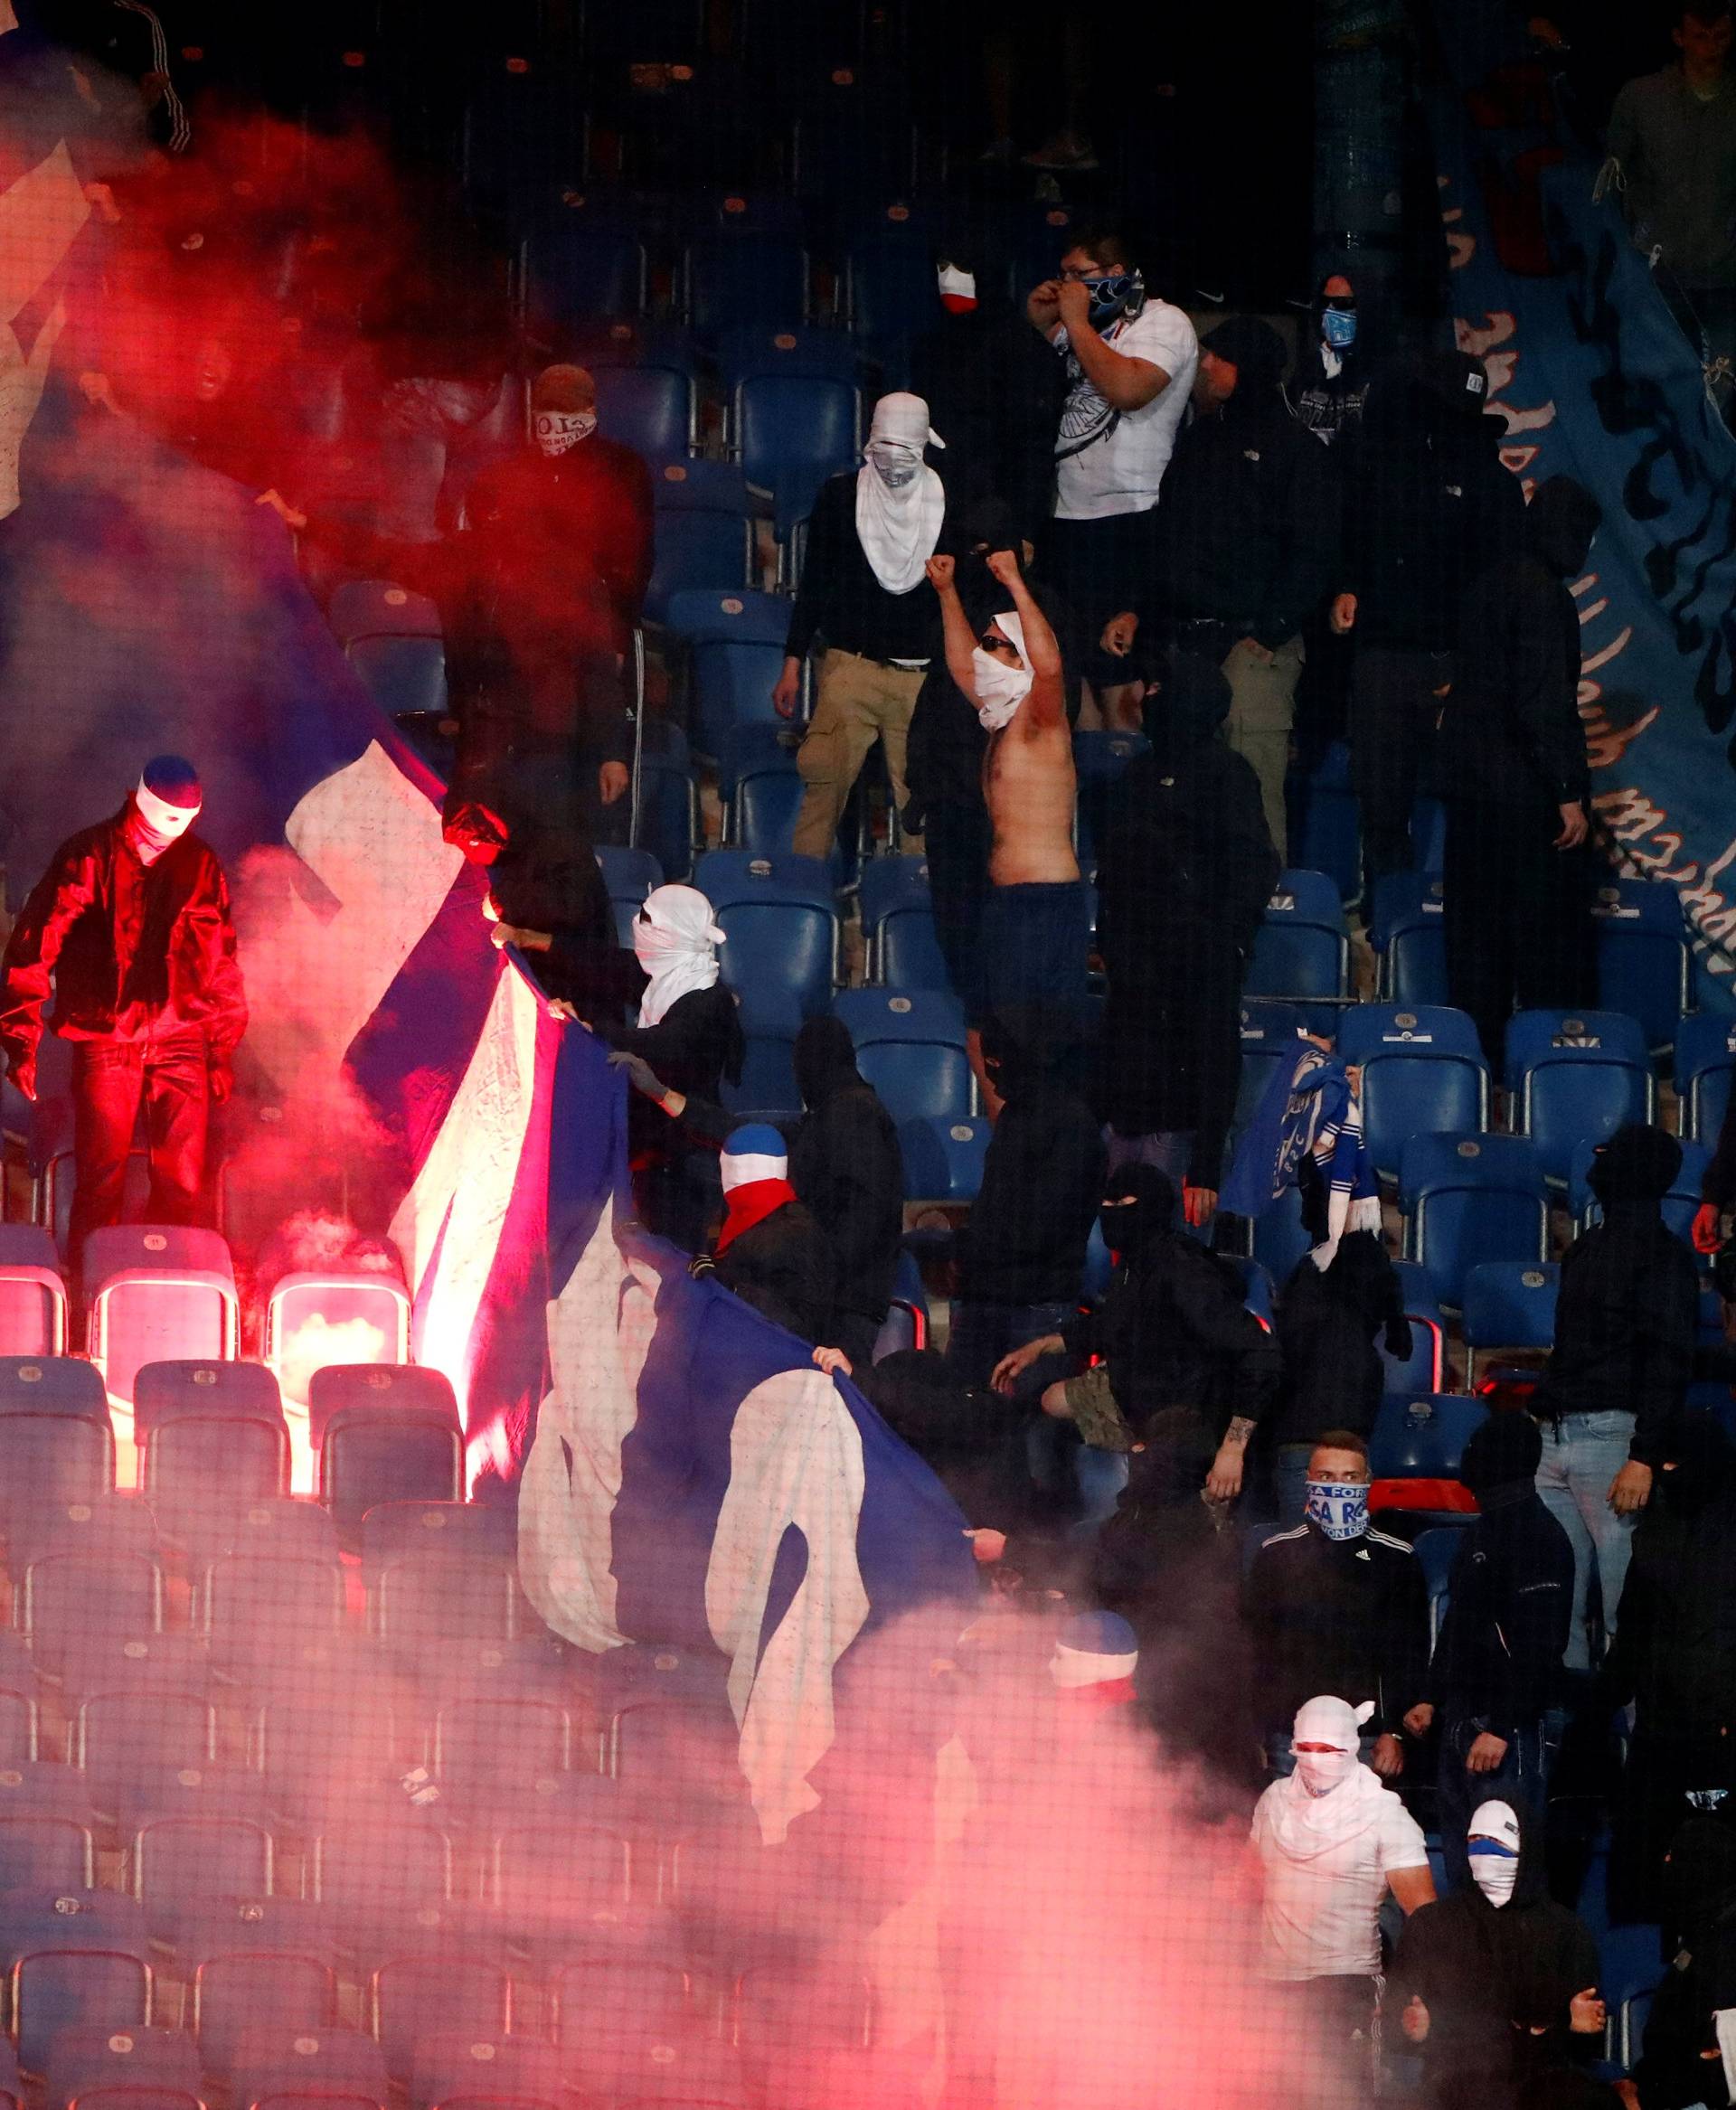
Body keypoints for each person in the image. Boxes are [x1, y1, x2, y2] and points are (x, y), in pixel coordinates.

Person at [993, 1164, 1283, 1596]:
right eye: (1105, 1205)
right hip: (1138, 1398)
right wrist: (1042, 1346)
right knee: (1047, 1400)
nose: (1110, 1213)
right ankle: (1051, 1527)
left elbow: (1262, 1354)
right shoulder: (1133, 1265)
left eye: (1123, 1205)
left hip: (1194, 1426)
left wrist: (1233, 1448)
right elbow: (1114, 1322)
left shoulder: (1184, 1273)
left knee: (1189, 1553)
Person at [0, 756, 245, 1260]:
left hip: (182, 1038)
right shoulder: (89, 856)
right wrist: (20, 1042)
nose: (172, 832)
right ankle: (92, 1288)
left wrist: (220, 1050)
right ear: (139, 802)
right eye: (165, 820)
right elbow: (34, 946)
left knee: (182, 1180)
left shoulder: (198, 864)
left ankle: (172, 1285)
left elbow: (221, 961)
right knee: (100, 1178)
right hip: (107, 1038)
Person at [1132, 315, 1339, 859]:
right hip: (1187, 644)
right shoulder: (1200, 439)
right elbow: (1168, 539)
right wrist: (1151, 631)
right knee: (1181, 789)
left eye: (1217, 356)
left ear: (1245, 366)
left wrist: (1270, 632)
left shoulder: (1298, 451)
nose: (1206, 365)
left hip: (1254, 648)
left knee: (1254, 785)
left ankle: (1268, 923)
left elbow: (1315, 552)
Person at [1091, 652, 1279, 1218]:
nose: (1148, 698)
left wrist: (1226, 939)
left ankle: (1192, 1185)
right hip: (1135, 986)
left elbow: (1252, 867)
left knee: (1197, 1072)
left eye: (1159, 688)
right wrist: (1115, 942)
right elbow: (1115, 869)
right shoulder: (1135, 776)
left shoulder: (1230, 774)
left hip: (1200, 967)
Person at [1331, 351, 1525, 883]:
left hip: (1456, 667)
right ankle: (1385, 920)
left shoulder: (1495, 488)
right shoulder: (1386, 470)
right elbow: (1355, 541)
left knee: (1471, 805)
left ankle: (1463, 924)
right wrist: (1348, 587)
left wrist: (1471, 672)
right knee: (1380, 802)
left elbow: (1507, 595)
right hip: (1385, 660)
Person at [444, 363, 651, 847]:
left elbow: (636, 556)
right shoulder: (508, 475)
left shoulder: (622, 469)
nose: (555, 419)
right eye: (547, 406)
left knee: (577, 765)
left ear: (591, 409)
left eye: (567, 406)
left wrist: (617, 633)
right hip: (517, 650)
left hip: (590, 633)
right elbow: (469, 565)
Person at [1437, 474, 1601, 1071]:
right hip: (1523, 803)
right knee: (1540, 944)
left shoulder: (1491, 581)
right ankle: (1540, 1073)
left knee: (1474, 944)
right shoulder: (1543, 595)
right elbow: (1542, 703)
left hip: (1471, 795)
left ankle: (1476, 1073)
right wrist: (1567, 791)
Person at [1531, 1125, 1702, 1674]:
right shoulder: (1585, 1247)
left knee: (1623, 1612)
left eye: (1608, 1155)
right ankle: (1569, 1743)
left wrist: (1643, 1456)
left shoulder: (1666, 1257)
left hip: (1614, 1444)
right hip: (1555, 1435)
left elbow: (1669, 1359)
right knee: (1556, 1608)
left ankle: (1634, 1748)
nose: (1595, 1163)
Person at [1024, 229, 1197, 717]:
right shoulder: (1070, 325)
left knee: (1121, 680)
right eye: (1063, 275)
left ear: (1117, 274)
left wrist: (1074, 322)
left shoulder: (1164, 322)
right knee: (1066, 679)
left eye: (1080, 275)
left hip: (1129, 518)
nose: (1068, 286)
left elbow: (1127, 389)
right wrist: (1039, 329)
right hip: (1061, 518)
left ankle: (1131, 781)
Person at [774, 391, 948, 861]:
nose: (893, 458)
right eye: (884, 445)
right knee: (822, 795)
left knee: (920, 808)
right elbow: (813, 583)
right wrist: (792, 662)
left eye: (904, 447)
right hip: (849, 668)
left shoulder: (948, 500)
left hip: (920, 680)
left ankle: (914, 916)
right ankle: (802, 893)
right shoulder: (839, 496)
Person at [1406, 1412, 1573, 1885]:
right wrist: (1431, 1697)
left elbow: (1541, 1646)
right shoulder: (1485, 1529)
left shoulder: (1539, 1536)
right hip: (1464, 1717)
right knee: (1464, 1875)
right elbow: (1461, 1622)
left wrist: (1502, 1726)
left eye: (1480, 1448)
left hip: (1509, 1732)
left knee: (1506, 1879)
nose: (1468, 1459)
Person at [929, 546, 1087, 1036]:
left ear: (1023, 660)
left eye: (998, 645)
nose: (985, 652)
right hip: (1007, 901)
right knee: (998, 1036)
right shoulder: (1002, 719)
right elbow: (960, 666)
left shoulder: (1043, 721)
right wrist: (947, 593)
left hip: (1044, 904)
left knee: (1038, 1045)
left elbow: (1053, 668)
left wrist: (1016, 585)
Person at [540, 884, 744, 1251]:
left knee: (675, 1252)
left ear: (675, 933)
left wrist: (593, 1028)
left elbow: (667, 1045)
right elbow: (603, 965)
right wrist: (535, 941)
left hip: (684, 1150)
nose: (639, 924)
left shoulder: (707, 1001)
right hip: (653, 1143)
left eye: (650, 921)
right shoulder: (662, 975)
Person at [1602, 1414, 1736, 1924]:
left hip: (1722, 1737)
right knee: (1648, 1879)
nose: (1671, 1472)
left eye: (1679, 1463)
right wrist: (1598, 1704)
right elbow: (1633, 1632)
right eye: (1665, 1464)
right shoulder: (1656, 1531)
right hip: (1661, 1733)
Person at [1250, 1693, 1435, 2056]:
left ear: (1351, 1748)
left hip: (1347, 1988)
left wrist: (1413, 1993)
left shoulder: (1386, 1815)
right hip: (1273, 1985)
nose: (1317, 1760)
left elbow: (1426, 1918)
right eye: (1307, 1748)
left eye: (1328, 1749)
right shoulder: (1273, 1801)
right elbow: (1248, 1882)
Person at [1392, 1797, 1604, 2106]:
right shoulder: (1433, 1924)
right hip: (1457, 2083)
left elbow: (1586, 2035)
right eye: (1474, 1840)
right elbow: (1397, 2016)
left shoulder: (1565, 1929)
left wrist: (1572, 2024)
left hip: (1544, 2085)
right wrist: (1411, 2027)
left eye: (1495, 1840)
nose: (1483, 1852)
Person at [1243, 1432, 1430, 1777]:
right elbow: (1256, 1650)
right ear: (1308, 1480)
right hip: (1289, 1739)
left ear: (1368, 1482)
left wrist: (1394, 1731)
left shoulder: (1397, 1558)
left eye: (1350, 1477)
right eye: (1326, 1477)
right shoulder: (1275, 1555)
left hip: (1366, 1742)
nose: (1338, 1487)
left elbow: (1408, 1654)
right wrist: (1255, 1733)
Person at [945, 1010, 1103, 1393]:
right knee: (959, 1417)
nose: (992, 1072)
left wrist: (970, 1247)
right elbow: (994, 1203)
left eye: (997, 1062)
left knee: (1029, 1433)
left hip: (1036, 1308)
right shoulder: (1016, 1114)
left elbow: (1045, 1225)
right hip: (986, 1299)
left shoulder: (1073, 1127)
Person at [1607, 3, 1736, 391]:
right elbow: (1611, 179)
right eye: (1700, 36)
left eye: (1721, 36)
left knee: (1722, 388)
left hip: (1725, 276)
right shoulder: (1641, 99)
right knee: (1655, 384)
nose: (1710, 47)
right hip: (1657, 277)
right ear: (1679, 38)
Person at [910, 242, 1062, 551]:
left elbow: (1035, 447)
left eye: (963, 268)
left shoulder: (1024, 348)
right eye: (942, 267)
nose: (949, 278)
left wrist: (1025, 528)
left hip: (1001, 513)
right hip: (939, 508)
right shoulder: (930, 346)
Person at [785, 1016, 905, 1373]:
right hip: (840, 1296)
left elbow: (865, 1212)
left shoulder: (851, 1113)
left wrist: (818, 1276)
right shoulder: (836, 1112)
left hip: (845, 1303)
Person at [1267, 1236, 1415, 1522]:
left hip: (1299, 1448)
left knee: (1301, 1558)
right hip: (1343, 1455)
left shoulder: (1302, 1295)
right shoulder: (1361, 1351)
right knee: (1345, 1559)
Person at [691, 1125, 842, 1355]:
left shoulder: (789, 1234)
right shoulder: (761, 1221)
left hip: (780, 1364)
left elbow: (798, 1322)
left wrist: (728, 1287)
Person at [1631, 1812, 1736, 2108]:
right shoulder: (1700, 1931)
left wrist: (1642, 2095)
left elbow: (1715, 2064)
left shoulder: (1724, 1943)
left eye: (1676, 1855)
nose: (1666, 1862)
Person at [1292, 274, 1373, 446]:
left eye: (1342, 304)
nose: (1329, 311)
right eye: (1324, 303)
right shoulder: (1306, 369)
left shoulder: (1379, 375)